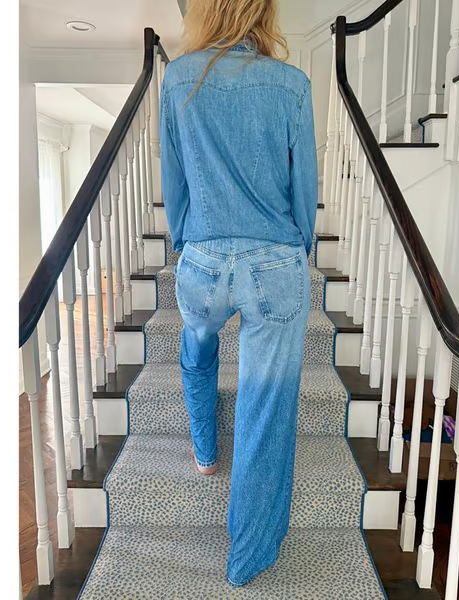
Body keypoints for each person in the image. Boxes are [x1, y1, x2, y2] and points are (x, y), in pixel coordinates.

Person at [159, 0, 318, 588]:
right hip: (274, 259)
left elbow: (173, 179)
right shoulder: (292, 85)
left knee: (196, 347)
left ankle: (205, 451)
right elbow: (304, 190)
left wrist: (186, 243)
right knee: (264, 407)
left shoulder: (178, 78)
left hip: (202, 257)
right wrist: (299, 250)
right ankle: (247, 557)